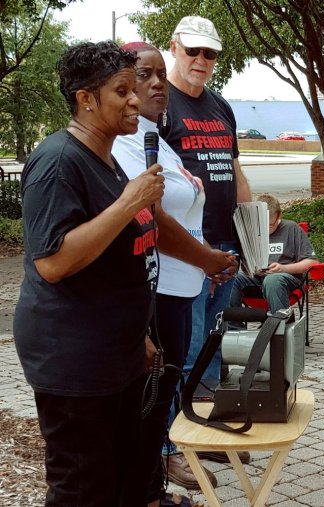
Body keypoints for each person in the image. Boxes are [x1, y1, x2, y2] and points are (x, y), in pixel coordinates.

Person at [15, 41, 164, 506]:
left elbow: (113, 263)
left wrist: (133, 336)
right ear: (86, 99)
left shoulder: (106, 156)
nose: (135, 99)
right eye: (122, 91)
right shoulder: (57, 162)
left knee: (123, 482)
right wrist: (129, 203)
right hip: (73, 361)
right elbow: (53, 261)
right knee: (83, 490)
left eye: (134, 88)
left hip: (113, 353)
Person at [112, 42, 237, 503]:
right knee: (151, 397)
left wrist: (206, 258)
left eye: (160, 76)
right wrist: (207, 258)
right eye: (144, 76)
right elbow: (152, 218)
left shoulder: (156, 137)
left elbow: (179, 209)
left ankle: (153, 485)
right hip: (159, 288)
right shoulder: (127, 141)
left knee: (166, 390)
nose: (156, 85)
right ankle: (148, 488)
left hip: (183, 285)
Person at [161, 14, 253, 483]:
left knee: (213, 347)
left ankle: (203, 431)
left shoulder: (220, 106)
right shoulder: (162, 104)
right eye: (192, 50)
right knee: (184, 345)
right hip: (183, 251)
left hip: (224, 244)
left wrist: (251, 235)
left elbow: (234, 171)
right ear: (174, 47)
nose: (200, 60)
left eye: (209, 53)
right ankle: (168, 448)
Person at [229, 194, 317, 312]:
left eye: (270, 225)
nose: (266, 230)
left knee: (272, 281)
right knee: (232, 279)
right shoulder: (249, 230)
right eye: (261, 225)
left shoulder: (291, 228)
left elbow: (311, 262)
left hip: (285, 278)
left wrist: (283, 268)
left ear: (279, 216)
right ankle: (234, 327)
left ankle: (279, 325)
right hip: (255, 278)